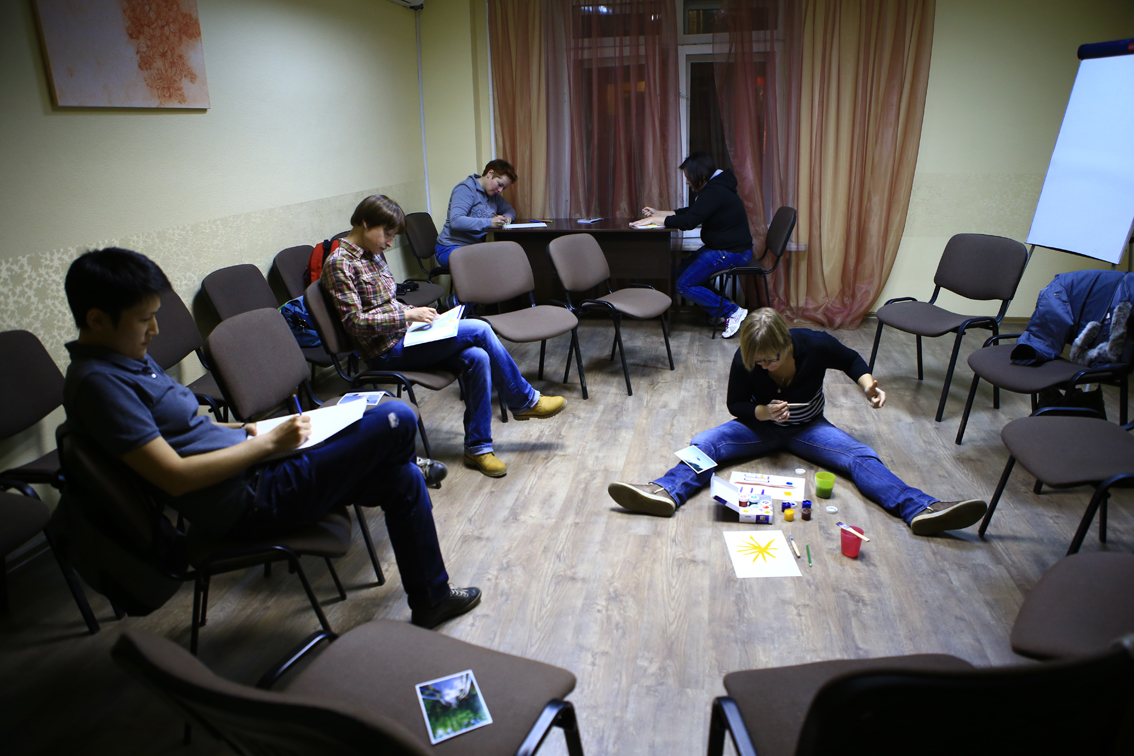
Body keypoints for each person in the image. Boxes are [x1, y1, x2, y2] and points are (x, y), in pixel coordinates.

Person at [62, 248, 479, 629]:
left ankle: (431, 600)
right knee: (395, 417)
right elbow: (174, 476)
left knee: (401, 478)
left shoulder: (127, 357)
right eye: (143, 320)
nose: (154, 329)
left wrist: (248, 430)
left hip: (257, 462)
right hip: (247, 499)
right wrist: (267, 444)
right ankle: (399, 456)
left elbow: (184, 430)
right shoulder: (100, 385)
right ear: (97, 320)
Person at [607, 308, 988, 536]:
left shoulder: (815, 344)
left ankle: (920, 508)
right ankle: (664, 491)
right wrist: (763, 412)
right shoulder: (747, 360)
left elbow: (851, 360)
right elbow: (735, 404)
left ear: (787, 345)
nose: (763, 366)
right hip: (760, 428)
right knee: (705, 441)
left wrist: (868, 386)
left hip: (809, 429)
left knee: (860, 455)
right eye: (757, 361)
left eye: (770, 360)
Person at [323, 195, 566, 478]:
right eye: (387, 234)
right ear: (365, 223)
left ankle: (478, 448)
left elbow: (387, 302)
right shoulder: (340, 263)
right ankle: (524, 402)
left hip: (406, 336)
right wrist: (407, 317)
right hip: (385, 351)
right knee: (480, 328)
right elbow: (354, 323)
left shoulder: (373, 253)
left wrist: (416, 313)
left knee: (477, 357)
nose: (389, 243)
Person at [632, 152, 753, 338]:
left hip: (732, 252)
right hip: (721, 248)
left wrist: (656, 220)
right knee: (678, 274)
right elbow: (693, 212)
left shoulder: (715, 191)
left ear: (701, 176)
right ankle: (724, 308)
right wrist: (660, 213)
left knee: (684, 285)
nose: (687, 182)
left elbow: (689, 221)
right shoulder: (715, 187)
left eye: (689, 177)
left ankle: (731, 312)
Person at [435, 159, 517, 266]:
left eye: (504, 188)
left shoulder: (493, 196)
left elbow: (510, 210)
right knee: (487, 265)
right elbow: (456, 221)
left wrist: (507, 217)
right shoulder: (466, 189)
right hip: (450, 247)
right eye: (499, 184)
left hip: (473, 247)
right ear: (490, 173)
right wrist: (489, 222)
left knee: (506, 258)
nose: (500, 190)